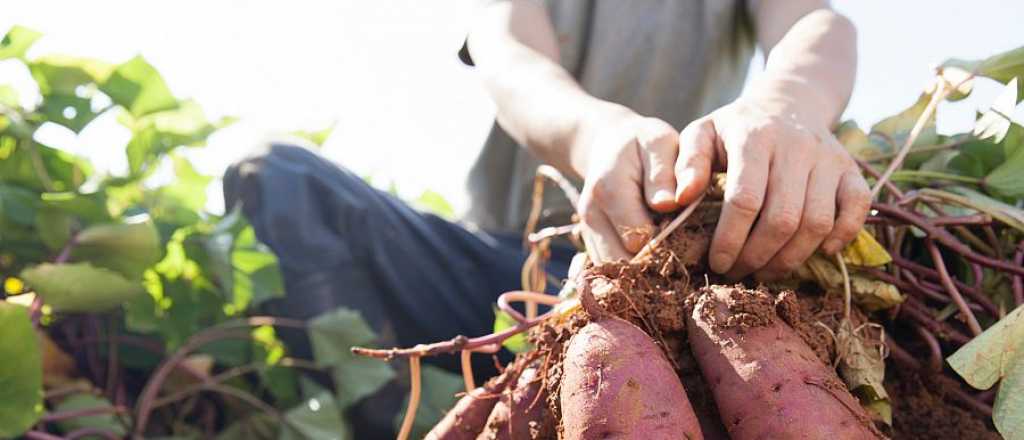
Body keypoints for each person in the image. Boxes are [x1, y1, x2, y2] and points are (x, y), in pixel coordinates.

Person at [223, 0, 869, 435]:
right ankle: (385, 418)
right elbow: (507, 55)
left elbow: (816, 25)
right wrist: (597, 135)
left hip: (665, 265)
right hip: (510, 265)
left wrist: (788, 107)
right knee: (275, 176)